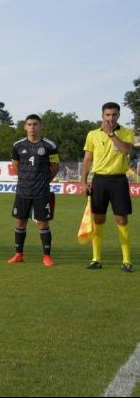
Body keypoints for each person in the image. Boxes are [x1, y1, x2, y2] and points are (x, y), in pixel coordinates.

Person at [81, 102, 134, 272]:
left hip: (119, 180)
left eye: (114, 115)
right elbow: (87, 159)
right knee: (98, 219)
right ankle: (96, 259)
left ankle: (126, 261)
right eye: (107, 115)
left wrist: (111, 134)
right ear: (102, 115)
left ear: (119, 115)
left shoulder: (126, 132)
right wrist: (83, 181)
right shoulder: (92, 134)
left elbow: (125, 150)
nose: (110, 118)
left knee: (121, 219)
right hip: (99, 180)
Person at [7, 115, 59, 266]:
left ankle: (46, 256)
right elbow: (15, 166)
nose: (32, 127)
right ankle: (18, 255)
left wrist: (43, 181)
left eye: (35, 124)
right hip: (23, 191)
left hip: (41, 192)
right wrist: (25, 180)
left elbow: (55, 168)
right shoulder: (17, 145)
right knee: (20, 222)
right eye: (29, 124)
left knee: (43, 224)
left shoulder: (50, 145)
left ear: (40, 126)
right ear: (25, 126)